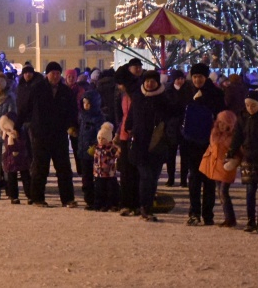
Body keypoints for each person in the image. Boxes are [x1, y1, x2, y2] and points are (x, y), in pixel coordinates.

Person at [18, 62, 78, 208]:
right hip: (41, 134)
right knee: (40, 168)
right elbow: (25, 108)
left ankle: (68, 199)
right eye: (53, 73)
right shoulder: (37, 89)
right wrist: (17, 125)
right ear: (47, 74)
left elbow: (72, 111)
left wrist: (73, 126)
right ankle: (37, 198)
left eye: (58, 73)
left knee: (64, 169)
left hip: (59, 135)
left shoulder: (66, 91)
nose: (56, 76)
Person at [125, 71, 176, 222]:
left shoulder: (164, 99)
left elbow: (172, 117)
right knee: (146, 176)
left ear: (157, 83)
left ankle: (148, 206)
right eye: (147, 81)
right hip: (140, 143)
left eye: (152, 81)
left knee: (153, 177)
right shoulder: (138, 96)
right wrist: (129, 128)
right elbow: (131, 115)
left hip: (157, 143)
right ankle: (144, 207)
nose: (149, 84)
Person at [181, 63, 223, 226]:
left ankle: (208, 214)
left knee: (209, 179)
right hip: (190, 141)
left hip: (209, 142)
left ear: (206, 77)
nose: (197, 79)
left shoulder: (216, 94)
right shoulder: (187, 91)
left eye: (200, 76)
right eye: (195, 76)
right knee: (194, 179)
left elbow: (221, 115)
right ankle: (194, 212)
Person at [229, 91, 258, 234]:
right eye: (247, 105)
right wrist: (232, 150)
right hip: (248, 157)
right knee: (250, 191)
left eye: (253, 105)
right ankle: (250, 221)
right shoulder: (242, 117)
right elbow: (237, 135)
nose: (250, 108)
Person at [200, 110, 239, 227]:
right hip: (215, 166)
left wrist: (234, 161)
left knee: (223, 192)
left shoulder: (233, 137)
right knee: (220, 192)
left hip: (226, 167)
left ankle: (230, 218)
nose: (222, 125)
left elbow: (237, 151)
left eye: (225, 123)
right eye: (220, 122)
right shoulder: (214, 134)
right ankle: (228, 218)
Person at [76, 88, 104, 209]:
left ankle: (98, 199)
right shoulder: (82, 116)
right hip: (83, 151)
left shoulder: (98, 117)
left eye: (88, 103)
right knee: (86, 176)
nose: (86, 105)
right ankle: (89, 199)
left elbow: (100, 134)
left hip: (95, 152)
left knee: (98, 177)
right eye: (84, 103)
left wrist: (95, 145)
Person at [0, 113, 30, 204]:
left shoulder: (19, 133)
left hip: (20, 157)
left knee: (25, 176)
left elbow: (22, 144)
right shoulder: (6, 134)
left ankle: (29, 195)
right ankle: (14, 196)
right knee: (12, 177)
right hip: (10, 159)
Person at [92, 122, 119, 212]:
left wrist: (118, 152)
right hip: (99, 173)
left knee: (111, 190)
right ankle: (100, 204)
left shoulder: (111, 148)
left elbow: (117, 154)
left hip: (109, 173)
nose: (100, 140)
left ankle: (112, 204)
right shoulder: (96, 147)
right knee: (99, 190)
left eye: (103, 138)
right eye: (99, 138)